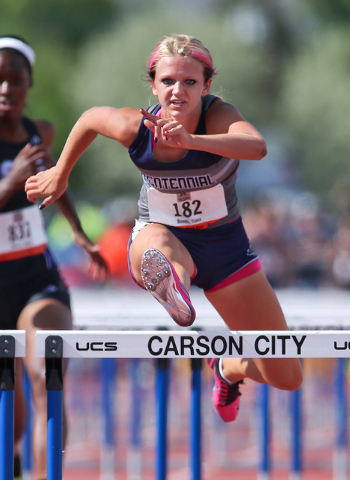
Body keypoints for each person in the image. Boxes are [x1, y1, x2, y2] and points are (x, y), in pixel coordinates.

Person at [25, 34, 303, 425]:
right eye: (168, 81)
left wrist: (192, 139)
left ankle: (229, 367)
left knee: (287, 376)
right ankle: (173, 280)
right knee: (159, 244)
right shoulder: (136, 126)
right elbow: (90, 119)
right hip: (160, 233)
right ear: (153, 85)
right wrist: (60, 172)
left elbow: (256, 146)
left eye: (190, 82)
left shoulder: (218, 115)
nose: (178, 91)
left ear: (206, 86)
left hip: (226, 248)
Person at [0, 35, 108, 480]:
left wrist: (79, 232)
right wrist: (14, 181)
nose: (6, 89)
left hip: (35, 279)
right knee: (12, 419)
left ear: (29, 84)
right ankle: (14, 464)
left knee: (48, 380)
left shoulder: (39, 131)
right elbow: (24, 180)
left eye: (15, 80)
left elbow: (53, 181)